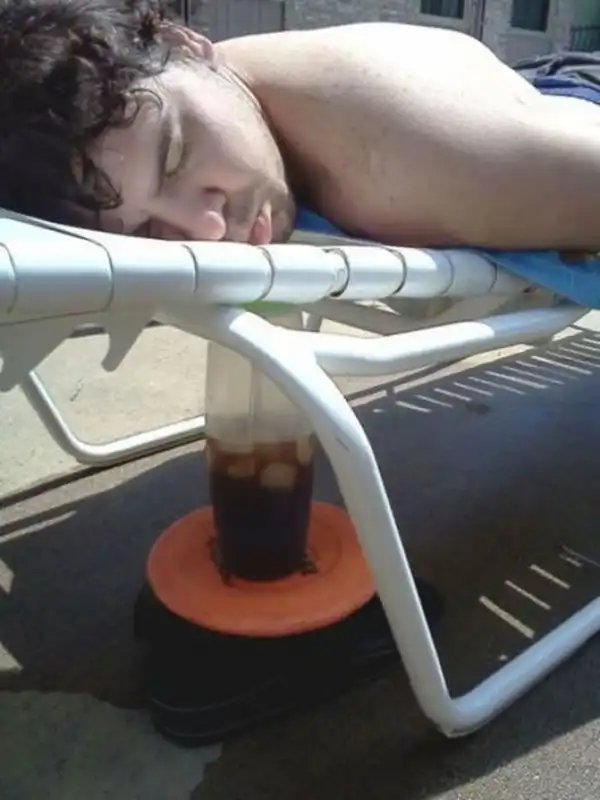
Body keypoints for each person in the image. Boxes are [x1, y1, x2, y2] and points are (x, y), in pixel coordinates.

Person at [2, 0, 600, 253]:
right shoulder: (201, 82)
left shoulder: (403, 162)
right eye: (147, 231)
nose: (207, 228)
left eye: (178, 155)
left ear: (190, 44)